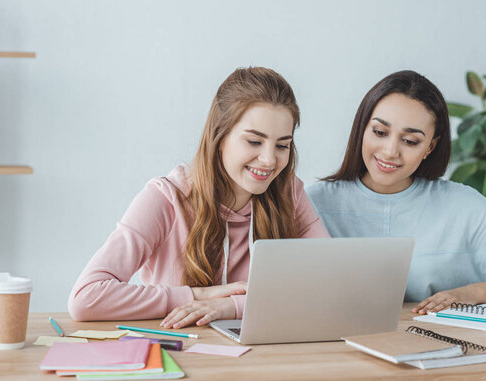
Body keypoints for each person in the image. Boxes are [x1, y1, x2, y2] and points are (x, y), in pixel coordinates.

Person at [68, 67, 329, 327]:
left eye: (282, 145)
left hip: (262, 357)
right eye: (253, 142)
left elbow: (328, 284)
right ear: (219, 136)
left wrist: (232, 305)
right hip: (185, 355)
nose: (270, 159)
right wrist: (195, 296)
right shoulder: (166, 199)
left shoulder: (289, 192)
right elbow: (86, 297)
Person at [306, 70, 486, 314]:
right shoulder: (313, 202)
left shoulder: (462, 205)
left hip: (438, 350)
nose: (390, 151)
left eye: (410, 141)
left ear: (430, 148)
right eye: (379, 132)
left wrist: (473, 293)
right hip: (336, 352)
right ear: (362, 128)